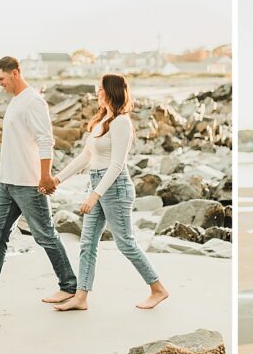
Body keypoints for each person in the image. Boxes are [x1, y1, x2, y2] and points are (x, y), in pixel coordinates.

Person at [0, 56, 77, 304]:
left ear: (15, 73)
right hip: (7, 182)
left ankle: (69, 286)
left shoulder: (33, 101)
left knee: (45, 235)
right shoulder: (17, 100)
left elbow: (45, 140)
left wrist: (45, 175)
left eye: (1, 78)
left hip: (29, 183)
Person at [51, 73, 169, 311]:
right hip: (97, 183)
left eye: (101, 88)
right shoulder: (102, 119)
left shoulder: (121, 122)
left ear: (111, 91)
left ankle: (158, 289)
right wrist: (57, 179)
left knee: (125, 243)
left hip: (114, 187)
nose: (97, 92)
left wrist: (95, 195)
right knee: (87, 243)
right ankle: (81, 297)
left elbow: (117, 164)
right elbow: (86, 157)